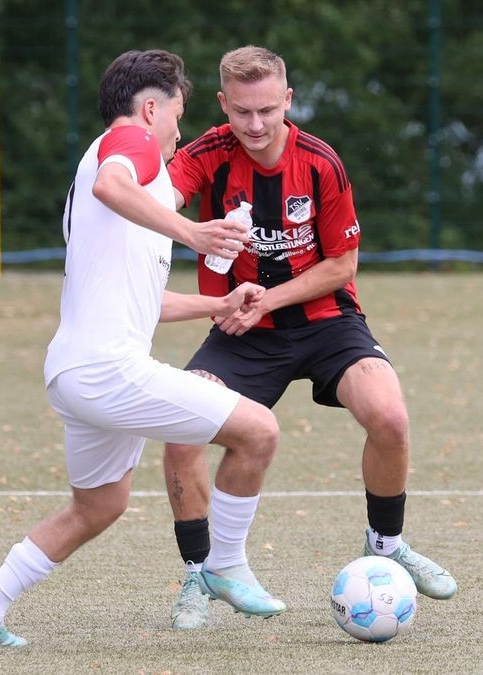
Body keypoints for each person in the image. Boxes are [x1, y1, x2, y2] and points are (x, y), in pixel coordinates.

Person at [0, 49, 287, 648]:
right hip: (107, 372)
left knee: (97, 508)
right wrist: (193, 231)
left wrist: (218, 304)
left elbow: (143, 302)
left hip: (77, 372)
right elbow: (111, 184)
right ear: (150, 108)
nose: (180, 132)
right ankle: (224, 565)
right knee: (258, 431)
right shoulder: (131, 146)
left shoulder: (134, 183)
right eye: (177, 115)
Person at [162, 46, 457, 630]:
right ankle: (201, 572)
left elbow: (342, 265)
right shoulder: (206, 155)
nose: (254, 124)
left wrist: (266, 298)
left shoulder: (320, 163)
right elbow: (156, 203)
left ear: (288, 100)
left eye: (267, 110)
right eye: (242, 112)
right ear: (223, 104)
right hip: (239, 331)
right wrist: (190, 230)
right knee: (180, 434)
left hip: (327, 322)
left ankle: (386, 544)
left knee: (390, 418)